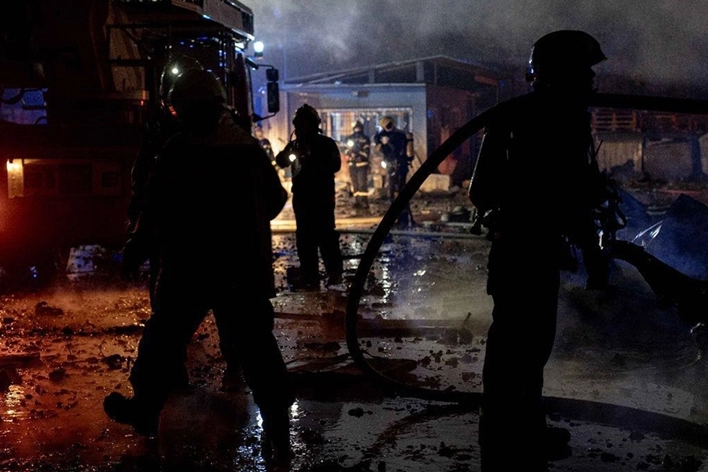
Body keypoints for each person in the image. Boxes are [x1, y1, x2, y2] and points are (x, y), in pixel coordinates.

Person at [104, 69, 295, 462]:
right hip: (241, 269)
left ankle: (145, 409)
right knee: (258, 348)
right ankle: (278, 426)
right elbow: (275, 200)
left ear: (184, 110)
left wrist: (137, 248)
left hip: (189, 268)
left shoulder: (178, 151)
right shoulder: (247, 150)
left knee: (163, 341)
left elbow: (155, 209)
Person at [468, 30, 609, 471]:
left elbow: (577, 196)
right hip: (520, 251)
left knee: (532, 347)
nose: (591, 80)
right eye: (584, 72)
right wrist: (544, 198)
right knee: (515, 347)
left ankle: (524, 427)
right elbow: (482, 191)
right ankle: (502, 435)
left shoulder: (569, 120)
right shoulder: (519, 118)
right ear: (558, 74)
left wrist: (588, 243)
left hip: (537, 251)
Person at [275, 103, 344, 290]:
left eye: (305, 123)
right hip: (302, 197)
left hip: (322, 197)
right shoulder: (295, 145)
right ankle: (309, 274)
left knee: (326, 235)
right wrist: (291, 153)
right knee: (305, 237)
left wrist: (312, 160)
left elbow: (335, 165)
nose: (302, 128)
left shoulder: (326, 143)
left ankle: (334, 274)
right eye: (300, 124)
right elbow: (280, 161)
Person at [373, 116, 414, 227]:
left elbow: (390, 150)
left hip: (398, 166)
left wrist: (382, 144)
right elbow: (381, 145)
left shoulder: (397, 136)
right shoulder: (391, 135)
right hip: (396, 166)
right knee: (394, 191)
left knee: (396, 191)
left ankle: (402, 219)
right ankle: (401, 218)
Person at [343, 120, 371, 211]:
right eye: (356, 128)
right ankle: (357, 201)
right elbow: (346, 150)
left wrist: (358, 154)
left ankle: (364, 202)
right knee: (355, 184)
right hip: (352, 164)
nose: (357, 130)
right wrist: (351, 154)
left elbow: (366, 152)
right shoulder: (349, 138)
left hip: (362, 164)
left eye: (359, 128)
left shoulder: (365, 139)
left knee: (362, 183)